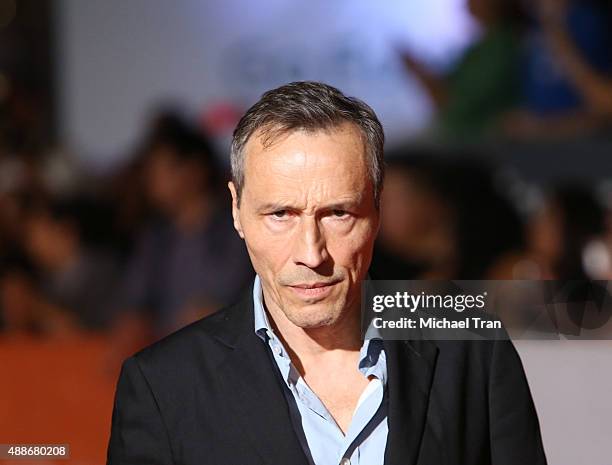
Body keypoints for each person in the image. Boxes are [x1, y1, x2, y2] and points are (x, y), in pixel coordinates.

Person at [106, 82, 547, 465]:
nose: (311, 253)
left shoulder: (471, 349)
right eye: (280, 214)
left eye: (338, 213)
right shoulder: (164, 387)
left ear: (377, 209)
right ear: (236, 210)